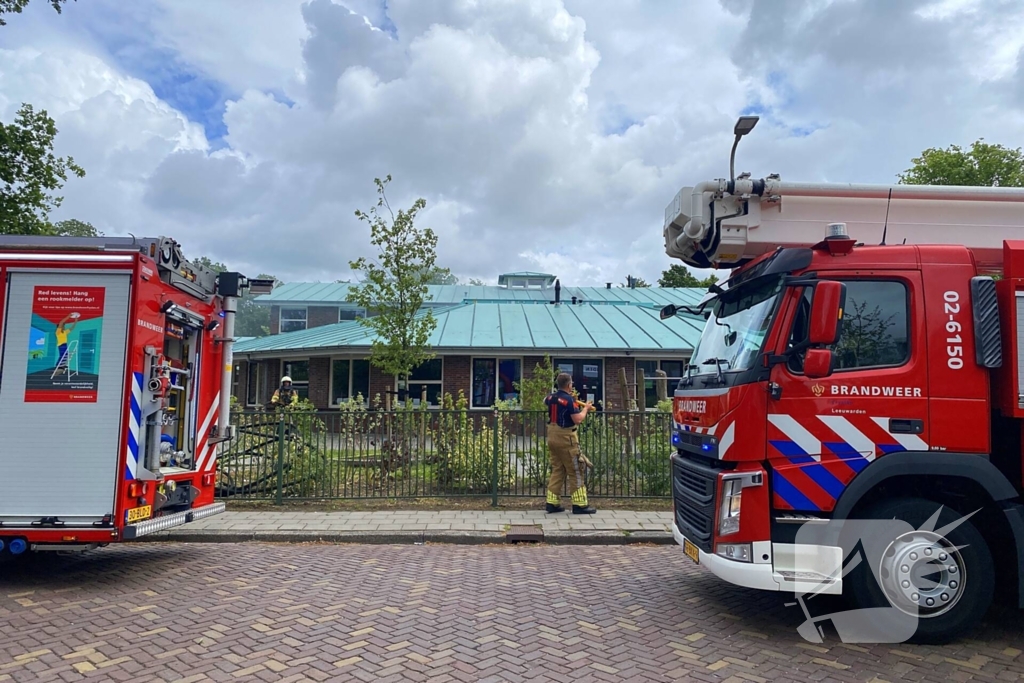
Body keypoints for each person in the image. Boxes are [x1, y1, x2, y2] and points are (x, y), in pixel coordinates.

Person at [544, 372, 596, 514]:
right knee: (576, 469)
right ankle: (580, 505)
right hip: (566, 438)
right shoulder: (569, 400)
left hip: (552, 436)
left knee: (558, 469)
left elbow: (545, 400)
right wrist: (585, 409)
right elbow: (577, 419)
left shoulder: (550, 397)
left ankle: (552, 503)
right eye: (571, 383)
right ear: (569, 385)